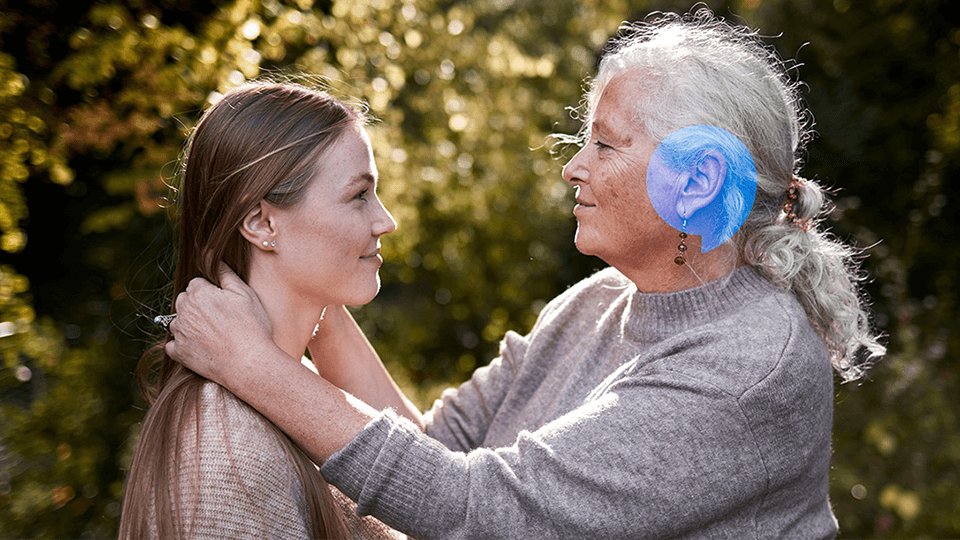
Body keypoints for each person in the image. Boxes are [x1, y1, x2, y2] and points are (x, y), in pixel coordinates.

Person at [165, 10, 885, 539]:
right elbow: (433, 454)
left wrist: (256, 367)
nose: (574, 166)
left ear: (697, 183)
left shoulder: (746, 364)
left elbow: (478, 513)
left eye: (604, 145)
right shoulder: (599, 303)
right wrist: (317, 295)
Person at [119, 81, 401, 538]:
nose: (386, 221)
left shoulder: (292, 390)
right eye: (358, 195)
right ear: (261, 222)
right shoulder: (228, 449)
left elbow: (442, 489)